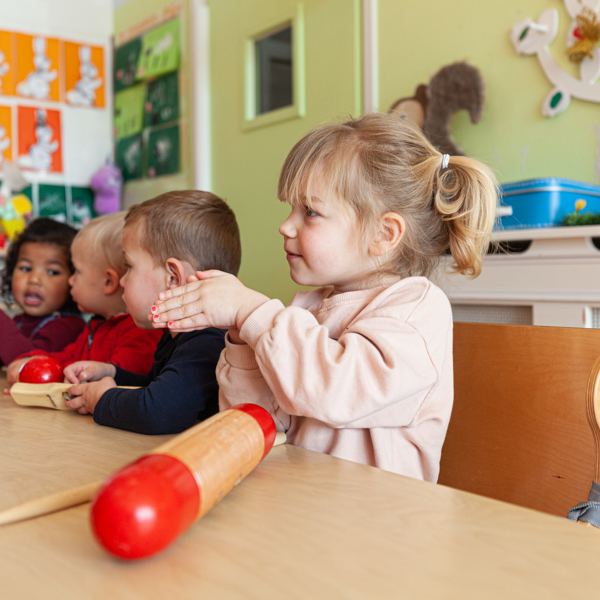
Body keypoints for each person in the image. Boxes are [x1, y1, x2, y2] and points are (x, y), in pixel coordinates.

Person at [149, 113, 498, 481]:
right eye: (291, 209)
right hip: (303, 505)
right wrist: (241, 335)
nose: (285, 225)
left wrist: (251, 311)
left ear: (383, 234)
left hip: (380, 525)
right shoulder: (307, 308)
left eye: (310, 212)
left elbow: (333, 389)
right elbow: (257, 419)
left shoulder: (417, 310)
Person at [63, 191, 241, 435]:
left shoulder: (206, 341)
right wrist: (111, 372)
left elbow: (157, 412)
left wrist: (102, 399)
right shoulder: (179, 335)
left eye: (129, 266)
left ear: (172, 277)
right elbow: (156, 390)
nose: (123, 281)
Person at [6, 212, 162, 384]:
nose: (71, 280)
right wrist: (30, 361)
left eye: (77, 272)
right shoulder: (96, 327)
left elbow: (123, 378)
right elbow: (64, 357)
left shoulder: (140, 331)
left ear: (109, 282)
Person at [0, 218, 85, 366]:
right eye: (26, 268)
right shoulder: (20, 321)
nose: (34, 279)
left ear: (74, 279)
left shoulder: (68, 327)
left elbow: (26, 363)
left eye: (52, 272)